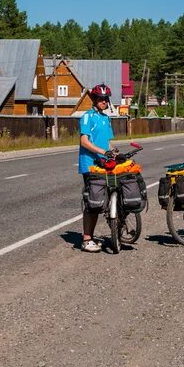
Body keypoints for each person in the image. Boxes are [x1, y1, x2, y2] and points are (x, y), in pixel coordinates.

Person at [78, 84, 115, 253]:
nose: (104, 102)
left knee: (111, 193)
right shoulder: (87, 117)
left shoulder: (106, 118)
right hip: (90, 164)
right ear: (94, 99)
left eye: (106, 99)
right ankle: (87, 239)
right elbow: (84, 141)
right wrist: (102, 152)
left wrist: (114, 152)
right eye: (100, 99)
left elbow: (108, 142)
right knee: (92, 202)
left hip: (104, 163)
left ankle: (115, 226)